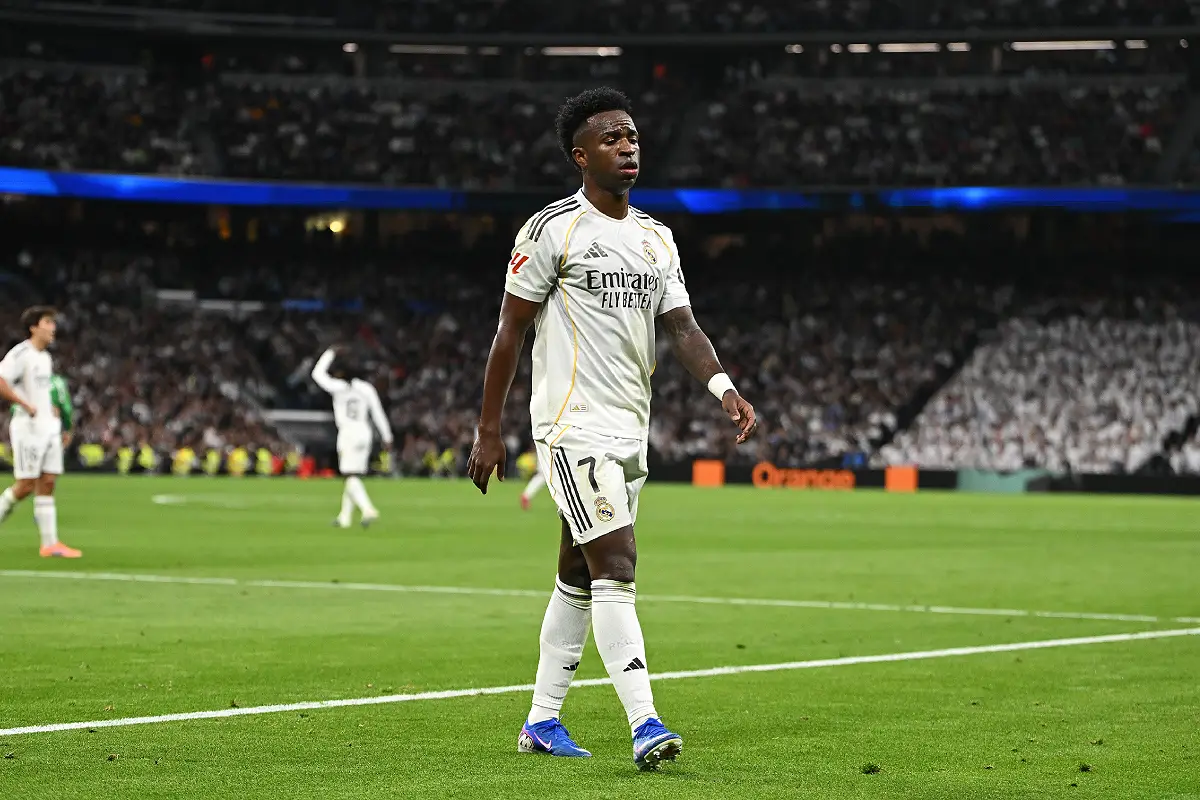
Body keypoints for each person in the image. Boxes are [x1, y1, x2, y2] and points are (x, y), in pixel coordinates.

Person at [466, 88, 758, 771]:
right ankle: (645, 721)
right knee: (618, 567)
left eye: (632, 136)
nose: (628, 146)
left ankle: (541, 720)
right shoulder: (551, 231)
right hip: (572, 428)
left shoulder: (656, 237)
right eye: (611, 139)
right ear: (581, 156)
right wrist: (488, 427)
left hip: (629, 429)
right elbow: (509, 330)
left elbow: (682, 327)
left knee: (577, 572)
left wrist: (723, 387)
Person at [0, 307, 83, 557]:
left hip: (49, 429)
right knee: (25, 485)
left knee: (48, 482)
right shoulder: (21, 353)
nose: (53, 328)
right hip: (29, 429)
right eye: (48, 322)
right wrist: (23, 404)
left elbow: (45, 393)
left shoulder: (45, 358)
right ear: (34, 327)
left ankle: (50, 544)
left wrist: (57, 420)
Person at [311, 346, 393, 528]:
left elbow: (317, 374)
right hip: (365, 432)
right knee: (353, 475)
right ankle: (344, 518)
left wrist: (330, 353)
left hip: (348, 433)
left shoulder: (338, 387)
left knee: (349, 476)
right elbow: (377, 413)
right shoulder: (366, 388)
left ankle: (367, 508)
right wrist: (387, 436)